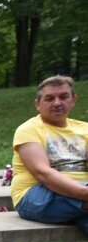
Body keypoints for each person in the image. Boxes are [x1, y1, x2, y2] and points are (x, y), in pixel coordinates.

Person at [11, 75, 88, 232]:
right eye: (49, 98)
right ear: (38, 104)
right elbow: (43, 173)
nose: (57, 103)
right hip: (36, 194)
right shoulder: (29, 129)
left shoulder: (84, 129)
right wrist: (84, 193)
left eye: (63, 96)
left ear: (73, 100)